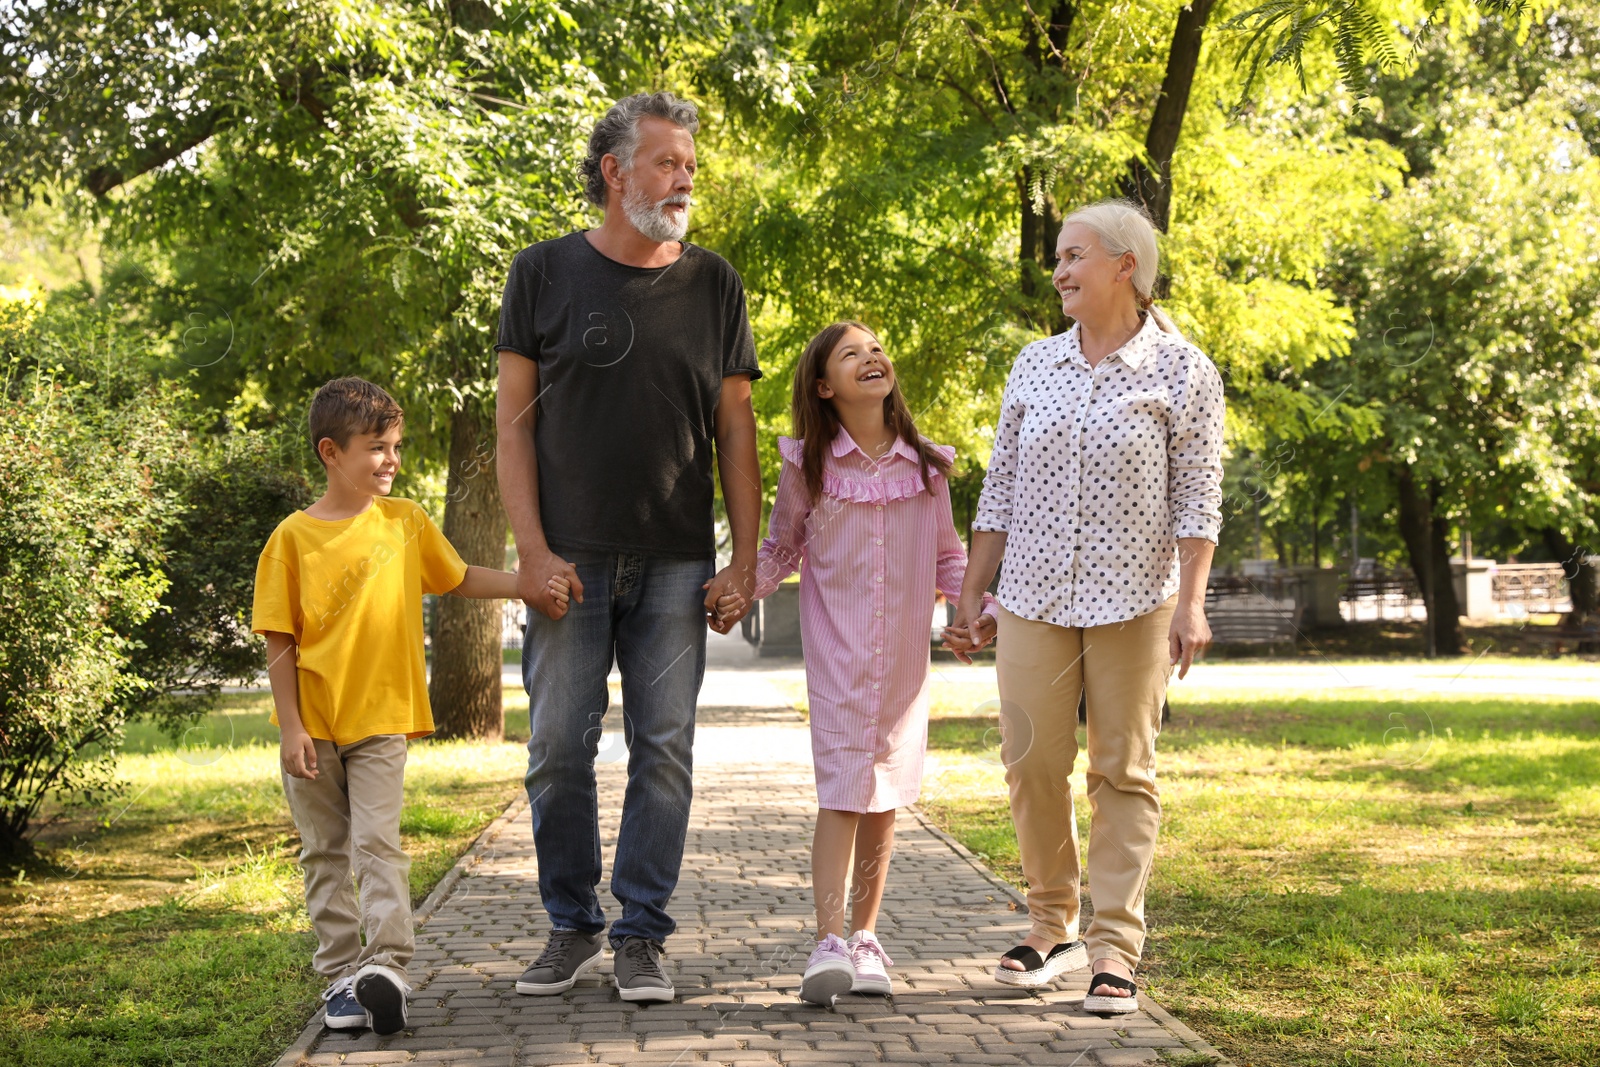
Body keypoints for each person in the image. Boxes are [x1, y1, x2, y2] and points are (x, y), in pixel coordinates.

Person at [494, 91, 761, 1004]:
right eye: (667, 162)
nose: (685, 179)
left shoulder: (714, 283)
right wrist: (530, 553)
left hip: (679, 562)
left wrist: (745, 558)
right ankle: (571, 926)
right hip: (568, 559)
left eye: (690, 164)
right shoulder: (540, 274)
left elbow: (737, 428)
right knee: (557, 750)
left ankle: (641, 935)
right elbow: (512, 430)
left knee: (666, 749)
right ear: (615, 172)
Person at [947, 199, 1225, 1014]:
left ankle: (1114, 948)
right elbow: (1000, 485)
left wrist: (1192, 604)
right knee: (1031, 760)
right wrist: (972, 589)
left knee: (1122, 770)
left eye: (1074, 255)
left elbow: (1198, 497)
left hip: (1135, 599)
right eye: (1058, 257)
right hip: (1032, 592)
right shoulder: (1035, 363)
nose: (1059, 270)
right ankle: (1051, 924)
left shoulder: (1184, 372)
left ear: (1123, 266)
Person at [253, 377, 565, 1035]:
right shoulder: (291, 539)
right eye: (376, 447)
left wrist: (527, 584)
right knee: (324, 852)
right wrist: (290, 725)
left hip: (382, 719)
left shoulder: (405, 523)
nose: (391, 459)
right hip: (312, 726)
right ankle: (342, 978)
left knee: (377, 841)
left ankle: (386, 964)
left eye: (395, 445)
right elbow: (278, 637)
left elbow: (460, 576)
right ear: (330, 451)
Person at [731, 321, 997, 1005]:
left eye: (877, 346)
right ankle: (828, 940)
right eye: (851, 353)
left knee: (885, 797)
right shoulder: (808, 467)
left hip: (905, 664)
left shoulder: (927, 468)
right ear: (825, 387)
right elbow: (782, 547)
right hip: (839, 654)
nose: (871, 354)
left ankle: (867, 936)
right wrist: (739, 590)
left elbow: (948, 556)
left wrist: (971, 609)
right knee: (843, 791)